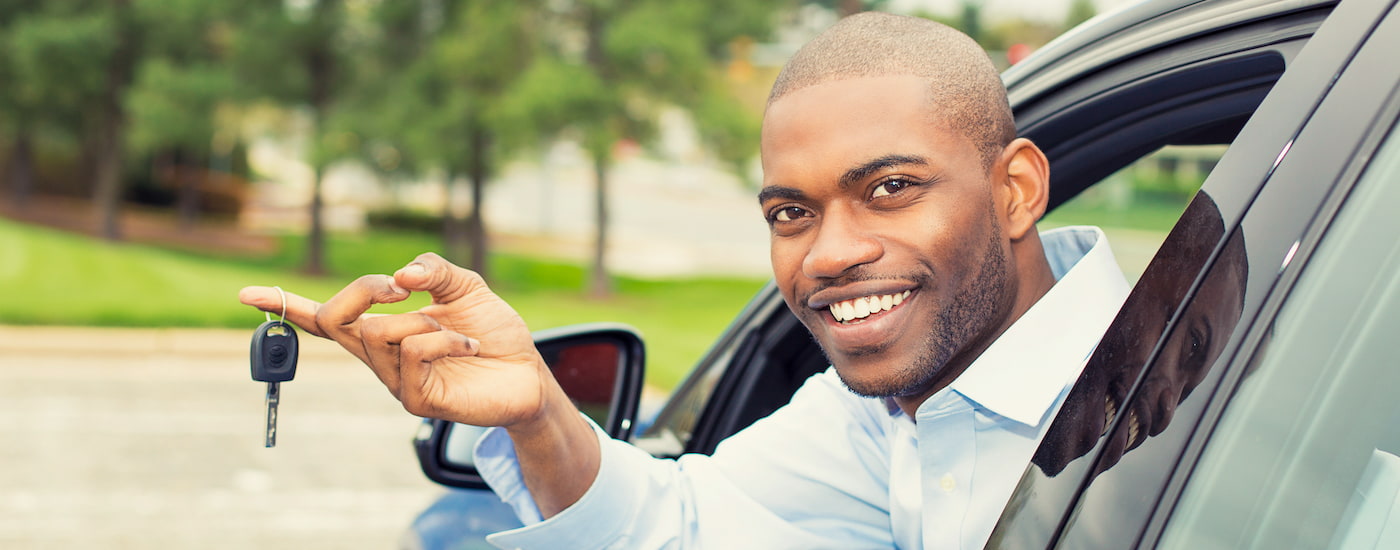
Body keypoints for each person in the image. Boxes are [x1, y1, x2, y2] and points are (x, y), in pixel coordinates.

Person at [240, 12, 1129, 549]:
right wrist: (539, 412)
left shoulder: (1189, 390)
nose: (826, 255)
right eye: (791, 213)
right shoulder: (881, 409)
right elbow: (684, 523)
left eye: (889, 189)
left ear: (1015, 191)